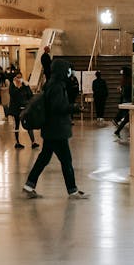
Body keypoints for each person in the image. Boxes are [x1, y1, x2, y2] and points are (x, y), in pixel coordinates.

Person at [22, 58, 88, 198]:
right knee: (66, 161)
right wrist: (74, 108)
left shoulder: (51, 84)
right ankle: (73, 190)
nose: (69, 72)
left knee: (44, 159)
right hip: (57, 130)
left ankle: (29, 186)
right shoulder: (57, 86)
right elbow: (57, 107)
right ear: (62, 70)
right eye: (67, 70)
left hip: (51, 129)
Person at [9, 71, 39, 149]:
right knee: (17, 125)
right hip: (16, 109)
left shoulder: (25, 85)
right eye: (17, 77)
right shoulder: (13, 86)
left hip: (25, 108)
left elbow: (30, 95)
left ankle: (33, 142)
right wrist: (18, 87)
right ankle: (17, 142)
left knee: (29, 124)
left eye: (20, 77)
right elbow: (13, 95)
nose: (19, 79)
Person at [113, 65, 133, 138]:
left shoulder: (124, 80)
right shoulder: (129, 80)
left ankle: (117, 130)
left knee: (127, 118)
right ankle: (118, 128)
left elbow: (123, 91)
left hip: (125, 100)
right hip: (129, 100)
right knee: (128, 118)